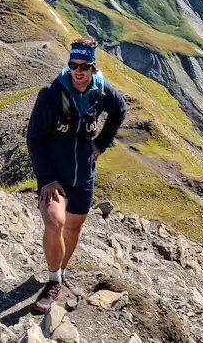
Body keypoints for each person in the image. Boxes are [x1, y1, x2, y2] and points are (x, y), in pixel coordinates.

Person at [26, 38, 128, 313]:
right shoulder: (51, 94)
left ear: (93, 67)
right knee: (55, 222)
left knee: (73, 227)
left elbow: (120, 110)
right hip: (54, 175)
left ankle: (60, 272)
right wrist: (46, 178)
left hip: (84, 173)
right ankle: (52, 281)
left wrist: (101, 144)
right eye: (73, 65)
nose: (78, 71)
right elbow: (33, 137)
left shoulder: (102, 91)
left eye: (84, 66)